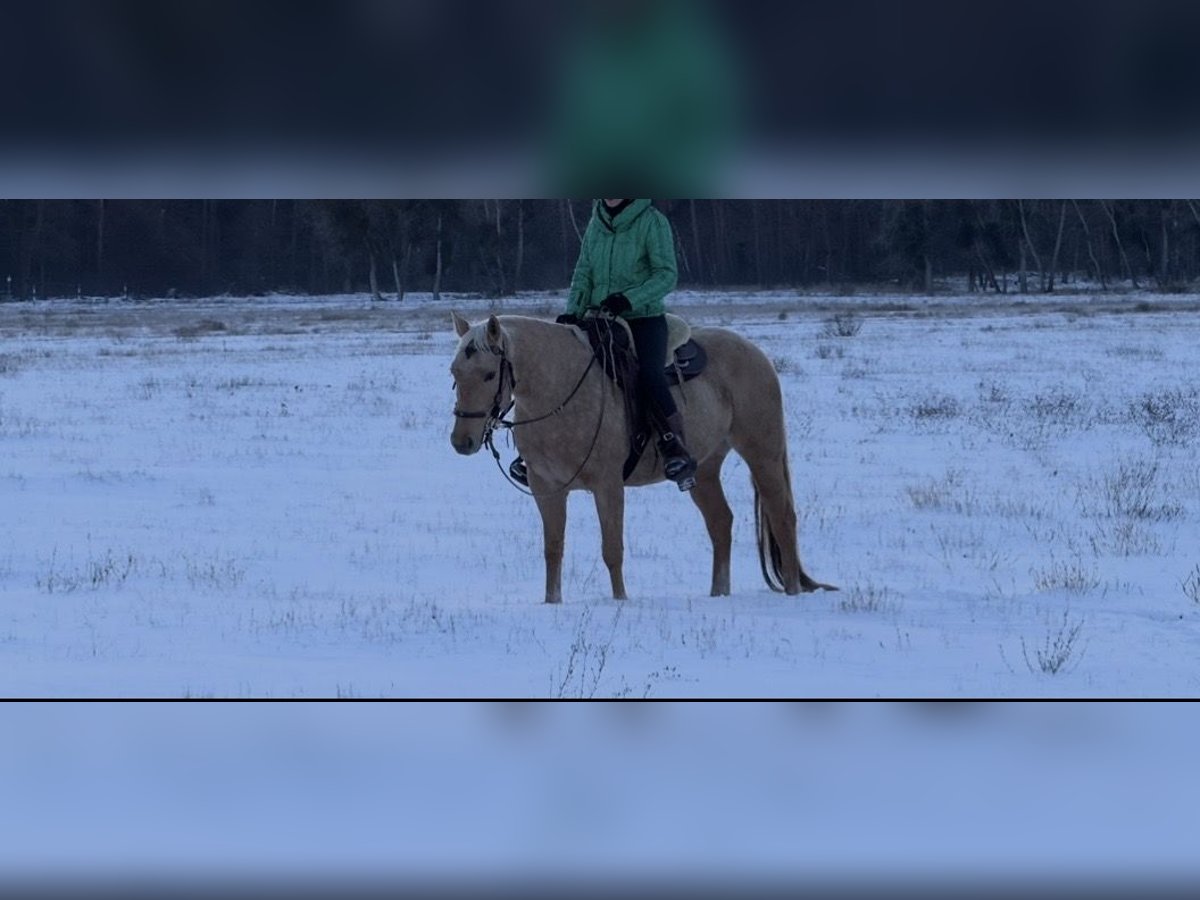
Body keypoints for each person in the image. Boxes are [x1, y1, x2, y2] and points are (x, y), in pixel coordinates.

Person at [511, 198, 697, 491]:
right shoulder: (596, 222)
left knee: (650, 374)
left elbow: (666, 275)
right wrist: (573, 311)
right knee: (560, 371)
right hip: (598, 318)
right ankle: (537, 453)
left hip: (643, 318)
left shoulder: (652, 221)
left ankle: (674, 447)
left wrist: (628, 299)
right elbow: (584, 271)